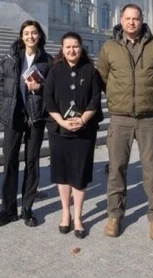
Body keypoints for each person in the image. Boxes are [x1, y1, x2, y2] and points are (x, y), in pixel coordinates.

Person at [97, 4, 153, 240]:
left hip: (148, 118)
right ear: (121, 19)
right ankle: (115, 214)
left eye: (136, 19)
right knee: (116, 168)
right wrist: (120, 98)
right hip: (120, 118)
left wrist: (150, 97)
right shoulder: (109, 47)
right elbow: (103, 78)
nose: (132, 23)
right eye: (127, 18)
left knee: (152, 169)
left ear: (142, 20)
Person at [0, 20, 53, 228]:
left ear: (40, 36)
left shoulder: (47, 61)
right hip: (13, 116)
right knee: (10, 161)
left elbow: (53, 89)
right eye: (26, 33)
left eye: (34, 33)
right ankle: (8, 209)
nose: (30, 37)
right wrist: (1, 104)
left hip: (34, 117)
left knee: (32, 162)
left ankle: (27, 207)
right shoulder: (9, 58)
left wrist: (41, 86)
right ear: (21, 36)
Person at [43, 32, 104, 239]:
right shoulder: (54, 70)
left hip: (84, 132)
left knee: (79, 175)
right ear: (62, 48)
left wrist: (82, 120)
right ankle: (65, 213)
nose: (72, 50)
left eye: (75, 46)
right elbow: (48, 99)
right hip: (59, 131)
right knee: (62, 174)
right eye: (67, 47)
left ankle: (78, 216)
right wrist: (62, 122)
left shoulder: (90, 71)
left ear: (81, 47)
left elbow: (95, 100)